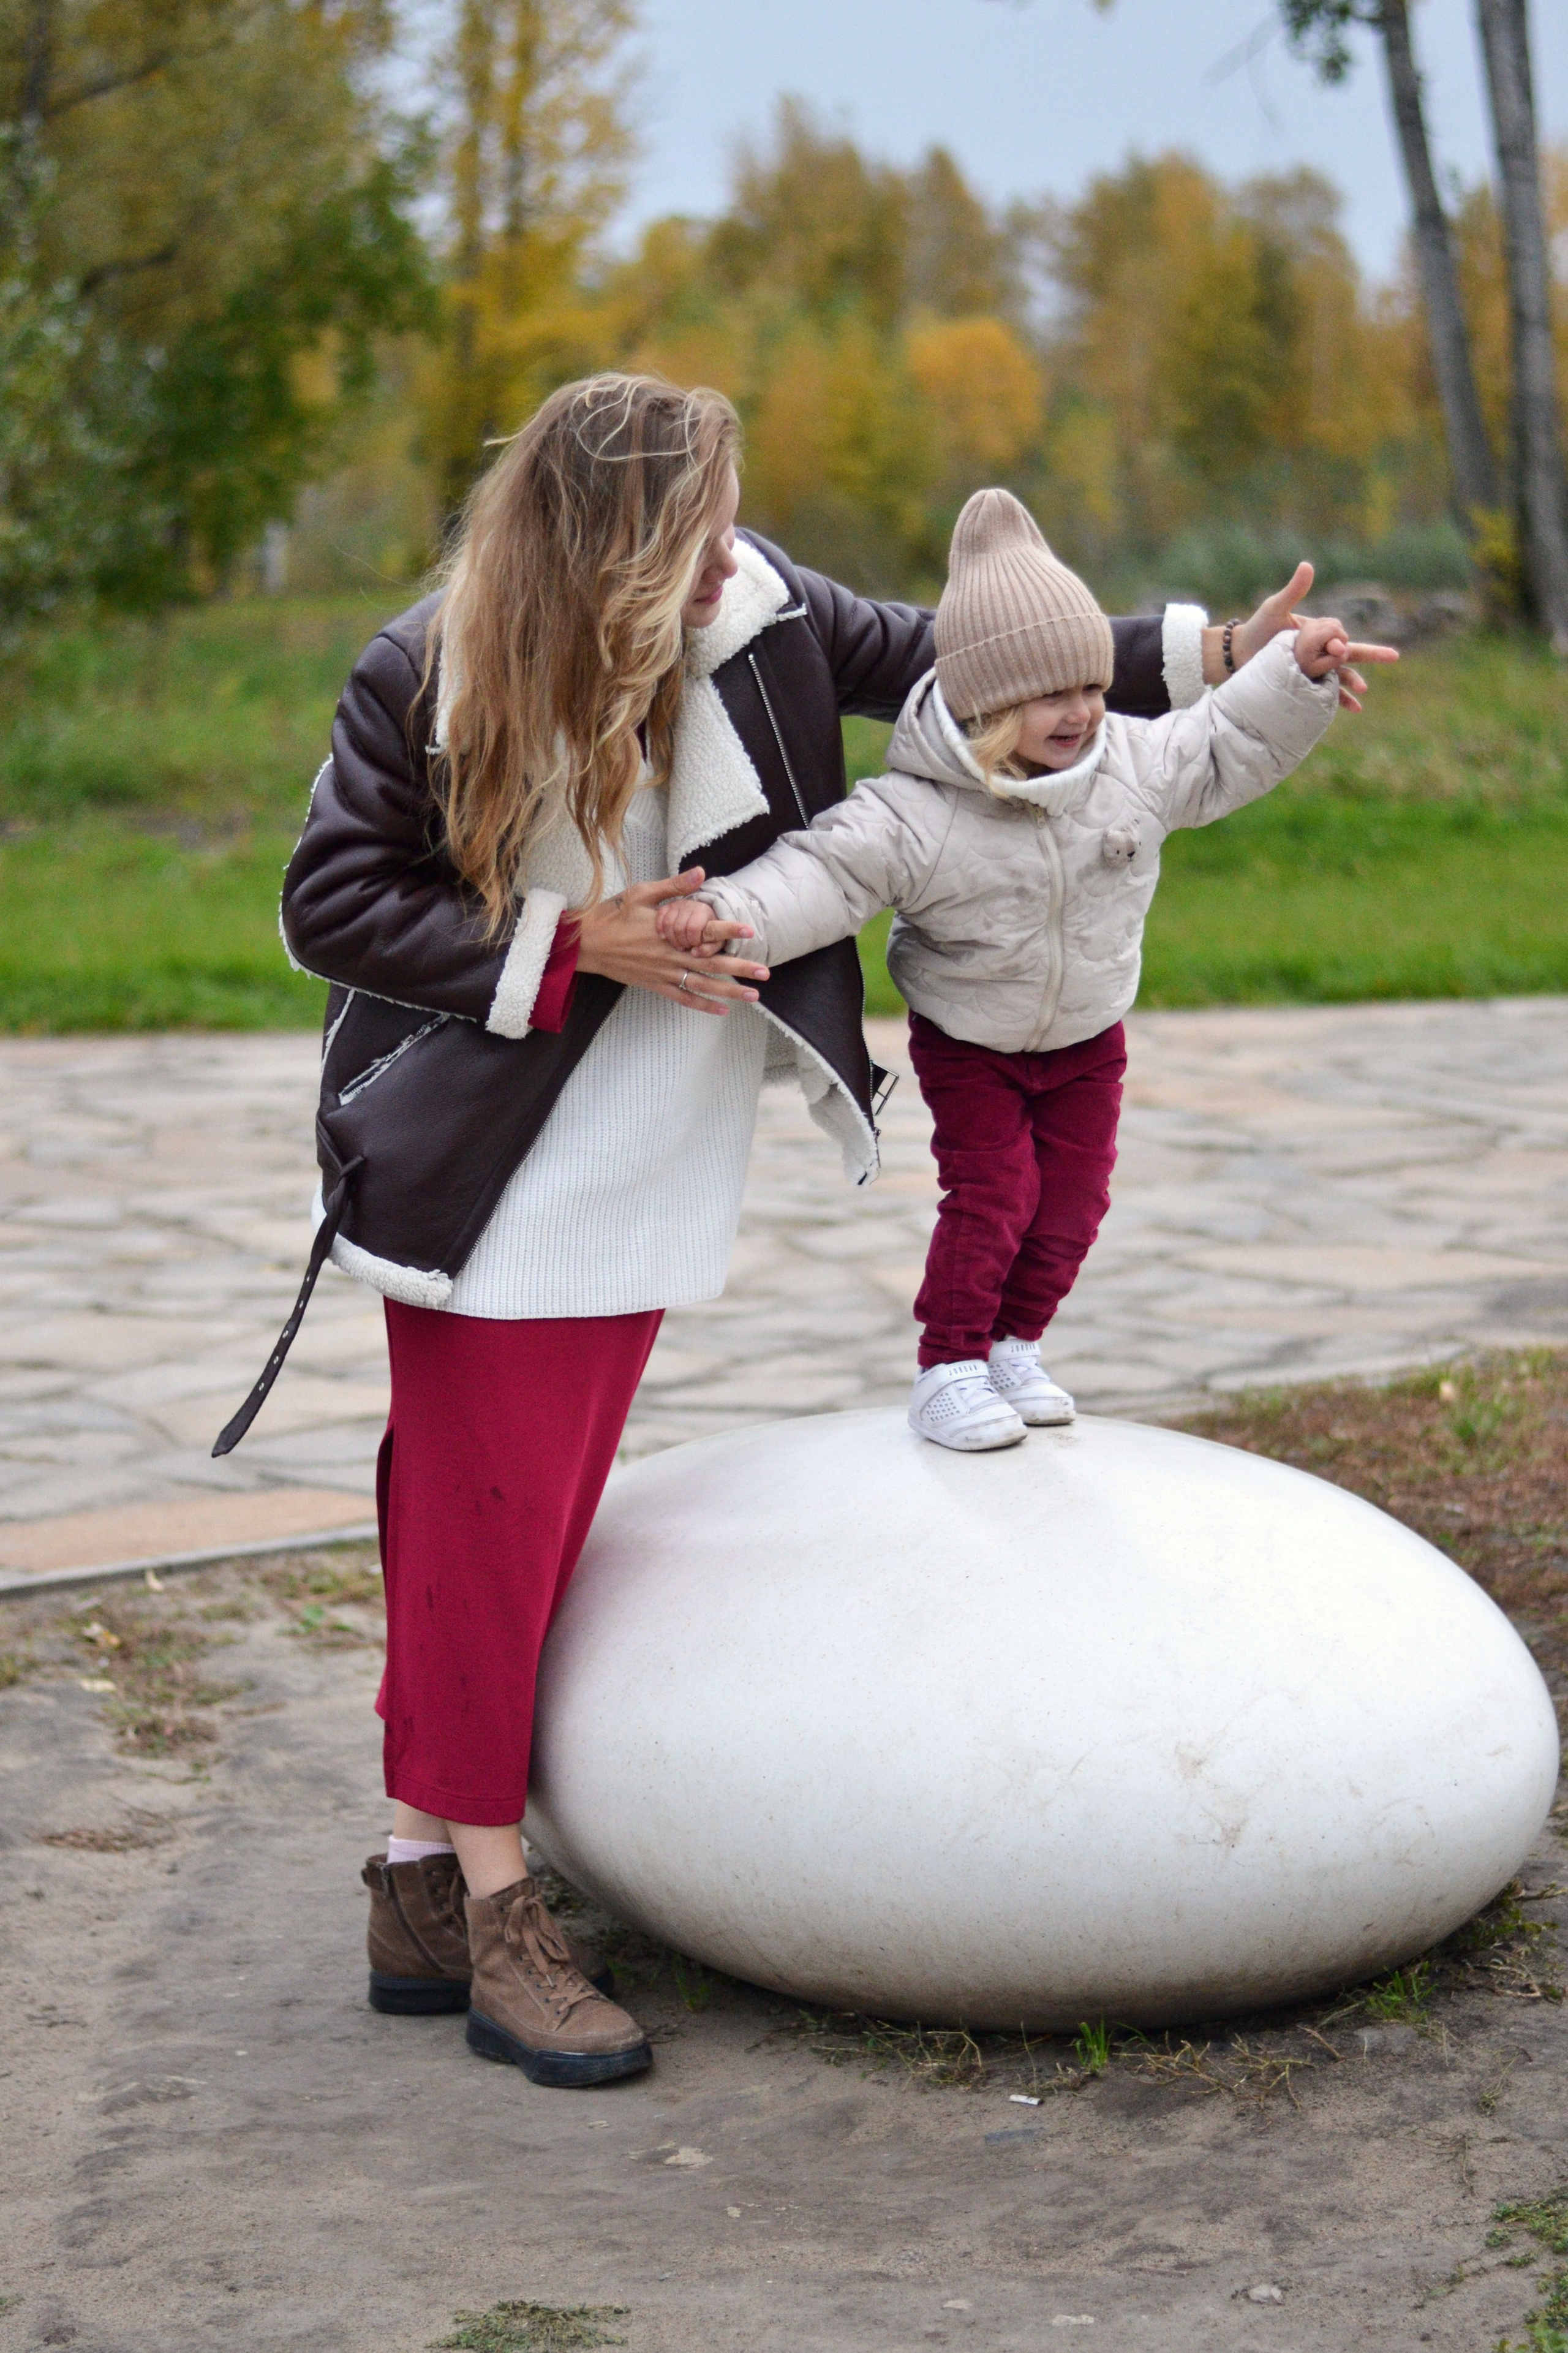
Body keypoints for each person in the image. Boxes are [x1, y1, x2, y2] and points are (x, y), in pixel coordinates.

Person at [234, 372, 1391, 2091]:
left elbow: (950, 643)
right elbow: (331, 903)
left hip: (652, 1145)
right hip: (493, 1159)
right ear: (600, 542)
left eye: (729, 519)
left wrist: (1214, 654)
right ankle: (493, 1914)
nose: (728, 556)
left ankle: (415, 1870)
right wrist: (576, 946)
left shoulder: (760, 604)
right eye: (692, 532)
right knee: (488, 1520)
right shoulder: (436, 666)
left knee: (515, 1521)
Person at [657, 488, 1392, 1452]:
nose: (1084, 712)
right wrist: (722, 916)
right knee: (996, 1194)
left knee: (1076, 1202)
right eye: (1054, 695)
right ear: (988, 703)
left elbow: (1225, 742)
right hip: (973, 1043)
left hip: (1090, 1035)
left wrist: (1293, 672)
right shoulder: (914, 812)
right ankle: (949, 1363)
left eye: (1092, 688)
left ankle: (1014, 1343)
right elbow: (820, 876)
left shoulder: (1131, 760)